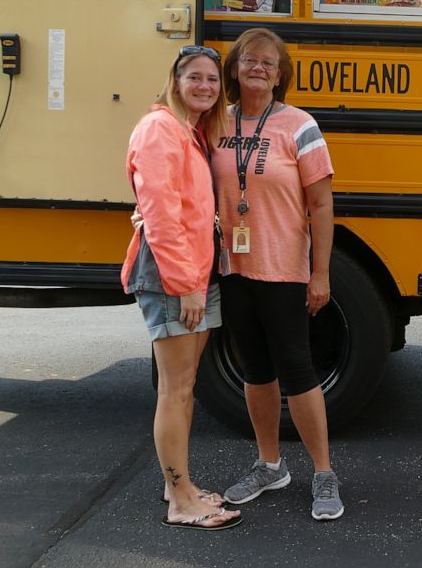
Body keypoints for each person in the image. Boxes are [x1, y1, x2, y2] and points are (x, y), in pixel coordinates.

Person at [214, 27, 343, 521]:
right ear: (235, 67)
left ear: (281, 73)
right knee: (255, 370)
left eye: (270, 63)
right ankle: (270, 465)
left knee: (298, 370)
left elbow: (322, 203)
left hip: (285, 268)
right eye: (250, 60)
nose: (259, 69)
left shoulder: (298, 124)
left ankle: (324, 473)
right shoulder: (216, 122)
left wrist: (321, 273)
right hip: (234, 266)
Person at [121, 45, 241, 530]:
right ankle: (180, 501)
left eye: (213, 80)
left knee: (186, 387)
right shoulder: (159, 129)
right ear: (175, 79)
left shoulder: (190, 132)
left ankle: (181, 484)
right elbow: (162, 216)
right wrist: (186, 285)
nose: (205, 87)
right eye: (195, 77)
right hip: (176, 275)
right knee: (174, 390)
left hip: (196, 272)